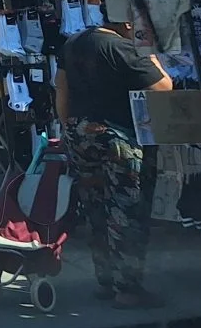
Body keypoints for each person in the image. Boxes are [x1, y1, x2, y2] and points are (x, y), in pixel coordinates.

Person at [55, 21, 173, 310]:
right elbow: (164, 86)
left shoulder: (72, 43)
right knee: (126, 210)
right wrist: (150, 54)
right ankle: (128, 287)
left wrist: (69, 124)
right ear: (128, 23)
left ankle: (105, 280)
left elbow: (61, 89)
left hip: (80, 132)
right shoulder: (121, 46)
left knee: (95, 206)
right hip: (117, 135)